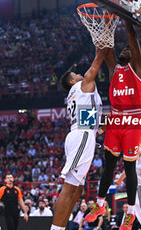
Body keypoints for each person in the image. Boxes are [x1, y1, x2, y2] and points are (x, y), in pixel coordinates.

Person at [86, 20, 141, 230]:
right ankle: (100, 205)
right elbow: (108, 49)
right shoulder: (114, 70)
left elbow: (133, 39)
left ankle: (129, 213)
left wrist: (126, 18)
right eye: (124, 49)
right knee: (109, 166)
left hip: (132, 120)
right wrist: (107, 22)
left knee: (130, 168)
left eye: (127, 50)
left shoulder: (136, 68)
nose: (125, 50)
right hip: (115, 119)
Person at [50, 46, 107, 230]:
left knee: (78, 188)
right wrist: (104, 44)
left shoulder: (75, 93)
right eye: (75, 73)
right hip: (82, 135)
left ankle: (62, 226)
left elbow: (89, 119)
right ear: (72, 80)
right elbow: (97, 63)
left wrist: (101, 128)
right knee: (69, 186)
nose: (79, 73)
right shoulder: (82, 86)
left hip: (81, 133)